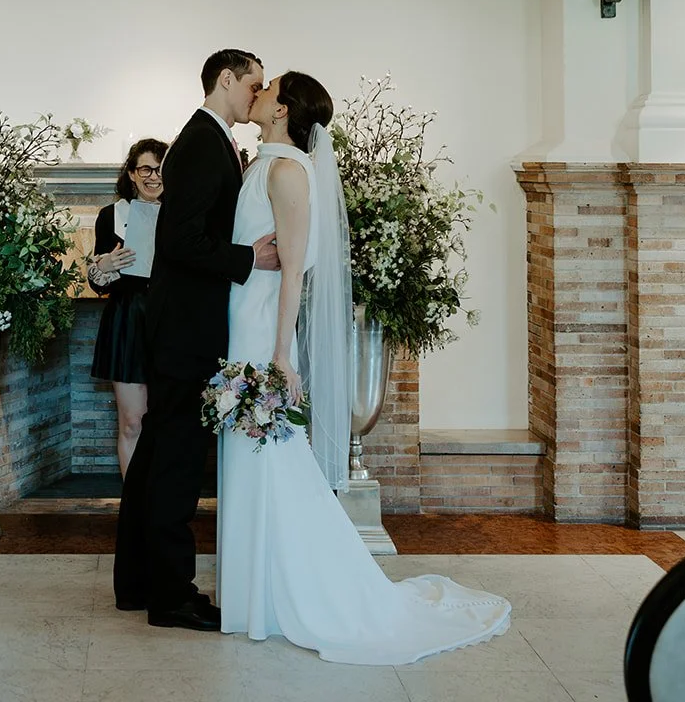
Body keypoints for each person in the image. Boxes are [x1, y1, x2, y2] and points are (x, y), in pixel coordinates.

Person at [217, 70, 512, 665]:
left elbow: (295, 268)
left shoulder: (288, 171)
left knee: (271, 459)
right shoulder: (260, 163)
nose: (258, 92)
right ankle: (254, 595)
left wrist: (280, 353)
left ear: (284, 109)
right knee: (252, 460)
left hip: (262, 335)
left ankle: (292, 594)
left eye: (268, 87)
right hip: (241, 323)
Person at [113, 48, 280, 631]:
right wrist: (248, 258)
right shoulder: (204, 143)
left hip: (179, 322)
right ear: (226, 80)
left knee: (159, 453)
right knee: (177, 464)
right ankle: (172, 597)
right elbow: (181, 242)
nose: (256, 96)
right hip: (186, 329)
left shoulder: (208, 139)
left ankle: (138, 582)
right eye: (252, 85)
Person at [88, 138, 167, 476]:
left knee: (167, 424)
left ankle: (163, 507)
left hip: (171, 320)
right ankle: (135, 508)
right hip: (128, 320)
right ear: (132, 174)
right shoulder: (112, 215)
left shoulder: (182, 214)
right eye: (146, 169)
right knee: (133, 422)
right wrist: (105, 265)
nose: (154, 176)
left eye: (160, 169)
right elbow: (95, 281)